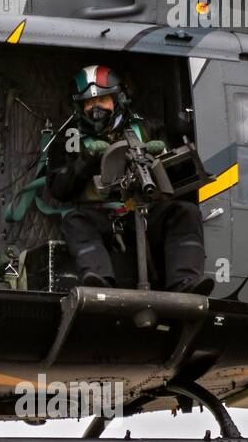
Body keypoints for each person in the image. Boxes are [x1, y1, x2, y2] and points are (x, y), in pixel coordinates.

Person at [45, 64, 212, 295]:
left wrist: (162, 157)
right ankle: (99, 284)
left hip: (146, 213)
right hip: (102, 216)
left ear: (119, 99)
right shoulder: (67, 140)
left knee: (186, 212)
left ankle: (185, 283)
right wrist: (85, 162)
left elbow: (182, 176)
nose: (96, 108)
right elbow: (58, 190)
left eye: (102, 100)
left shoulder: (149, 127)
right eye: (89, 102)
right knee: (74, 221)